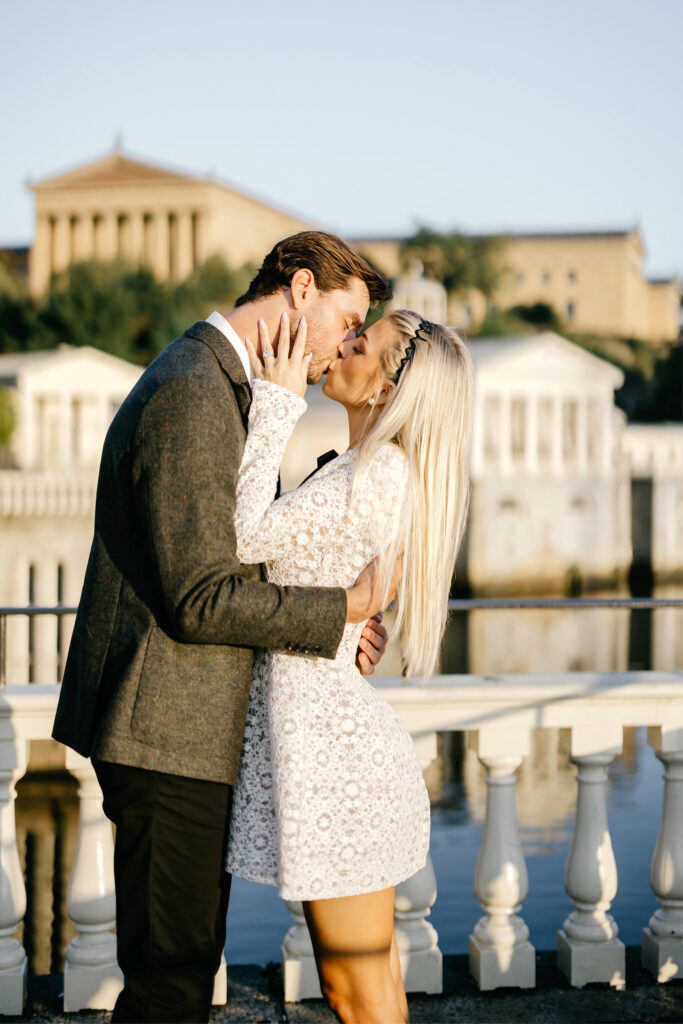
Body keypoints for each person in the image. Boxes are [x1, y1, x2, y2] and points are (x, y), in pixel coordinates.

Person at [51, 231, 397, 1024]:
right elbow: (201, 596)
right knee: (170, 988)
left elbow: (235, 562)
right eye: (346, 320)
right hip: (162, 729)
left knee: (182, 974)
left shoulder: (228, 387)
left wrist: (341, 633)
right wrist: (337, 610)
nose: (345, 345)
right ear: (300, 289)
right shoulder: (193, 390)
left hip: (186, 729)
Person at [227, 308, 473, 1024]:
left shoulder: (374, 474)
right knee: (362, 987)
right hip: (326, 751)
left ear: (386, 387)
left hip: (335, 760)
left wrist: (275, 403)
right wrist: (350, 617)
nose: (340, 345)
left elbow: (243, 540)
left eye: (359, 343)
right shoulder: (359, 471)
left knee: (357, 993)